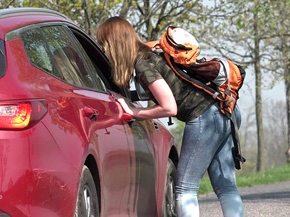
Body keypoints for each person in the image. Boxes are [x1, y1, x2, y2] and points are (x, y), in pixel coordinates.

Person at [96, 16, 244, 217]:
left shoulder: (143, 63)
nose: (103, 49)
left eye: (103, 43)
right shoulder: (152, 53)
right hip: (225, 109)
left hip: (206, 118)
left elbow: (169, 107)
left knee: (185, 188)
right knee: (225, 186)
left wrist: (134, 112)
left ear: (114, 43)